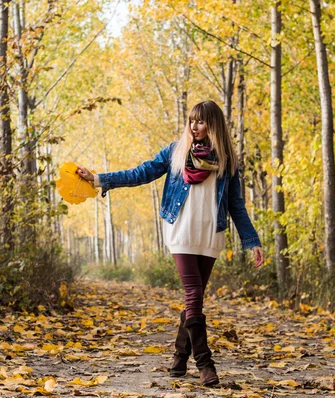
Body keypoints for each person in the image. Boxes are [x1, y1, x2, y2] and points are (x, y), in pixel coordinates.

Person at [76, 100, 264, 387]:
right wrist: (100, 179)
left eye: (200, 122)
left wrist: (252, 241)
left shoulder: (227, 160)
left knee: (196, 299)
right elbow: (142, 172)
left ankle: (179, 358)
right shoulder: (177, 152)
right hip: (181, 230)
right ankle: (205, 363)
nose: (194, 126)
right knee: (193, 292)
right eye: (191, 121)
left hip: (210, 234)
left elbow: (236, 205)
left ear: (213, 125)